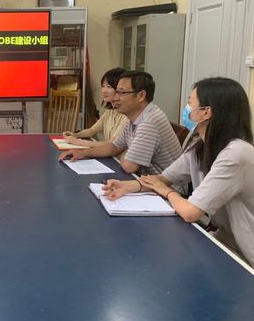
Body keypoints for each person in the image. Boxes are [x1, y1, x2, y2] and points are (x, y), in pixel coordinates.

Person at [103, 77, 254, 267]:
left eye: (190, 103)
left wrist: (167, 192)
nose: (186, 109)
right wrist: (129, 186)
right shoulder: (200, 147)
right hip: (226, 242)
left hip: (246, 254)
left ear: (206, 112)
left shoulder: (236, 154)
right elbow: (164, 178)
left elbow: (191, 212)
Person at [59, 70, 182, 175]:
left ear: (141, 95)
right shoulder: (133, 117)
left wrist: (126, 155)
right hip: (146, 182)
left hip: (167, 190)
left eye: (122, 93)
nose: (116, 98)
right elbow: (113, 147)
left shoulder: (149, 122)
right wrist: (83, 153)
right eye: (116, 91)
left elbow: (129, 166)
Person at [63, 67, 127, 148]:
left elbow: (111, 144)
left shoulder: (127, 116)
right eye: (103, 86)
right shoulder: (109, 112)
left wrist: (77, 142)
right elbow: (92, 130)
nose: (104, 91)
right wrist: (75, 135)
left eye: (109, 87)